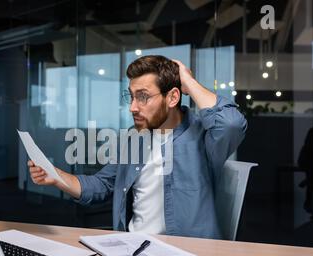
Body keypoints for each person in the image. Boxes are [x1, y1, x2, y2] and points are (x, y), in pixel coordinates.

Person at [28, 55, 247, 238]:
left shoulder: (204, 138)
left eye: (142, 97)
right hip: (132, 249)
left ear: (172, 98)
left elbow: (231, 123)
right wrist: (55, 175)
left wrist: (188, 82)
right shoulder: (135, 137)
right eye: (131, 97)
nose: (133, 107)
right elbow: (103, 184)